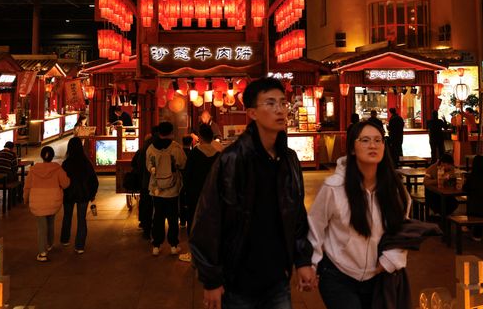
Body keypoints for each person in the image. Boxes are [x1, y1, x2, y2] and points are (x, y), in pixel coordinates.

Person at [190, 77, 315, 309]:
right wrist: (211, 279)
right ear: (252, 113)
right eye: (270, 103)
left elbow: (296, 213)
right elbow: (208, 220)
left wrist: (303, 259)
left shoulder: (288, 160)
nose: (279, 110)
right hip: (238, 281)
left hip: (278, 279)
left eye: (282, 103)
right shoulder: (232, 160)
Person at [308, 121, 410, 309]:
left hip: (380, 277)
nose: (373, 145)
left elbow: (402, 231)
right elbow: (315, 227)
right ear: (352, 149)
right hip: (338, 276)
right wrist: (311, 264)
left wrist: (387, 263)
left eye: (378, 140)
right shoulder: (334, 187)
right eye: (365, 140)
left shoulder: (394, 189)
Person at [178, 124, 220, 263]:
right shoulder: (218, 154)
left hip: (196, 194)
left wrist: (186, 191)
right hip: (214, 194)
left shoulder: (195, 153)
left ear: (200, 137)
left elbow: (187, 175)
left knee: (194, 222)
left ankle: (194, 254)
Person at [146, 121, 187, 256]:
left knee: (157, 216)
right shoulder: (176, 147)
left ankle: (156, 245)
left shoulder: (151, 148)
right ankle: (173, 245)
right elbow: (182, 164)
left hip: (157, 189)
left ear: (159, 132)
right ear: (171, 132)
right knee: (173, 217)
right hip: (172, 189)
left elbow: (148, 166)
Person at [24, 146, 70, 262]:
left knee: (41, 227)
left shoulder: (33, 170)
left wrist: (25, 199)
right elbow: (65, 184)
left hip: (37, 201)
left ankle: (42, 252)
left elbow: (27, 186)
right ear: (53, 156)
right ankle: (49, 244)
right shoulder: (57, 169)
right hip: (53, 200)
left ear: (41, 156)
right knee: (50, 222)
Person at [60, 138, 99, 254]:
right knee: (82, 219)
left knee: (67, 216)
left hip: (68, 194)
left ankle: (65, 239)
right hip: (83, 194)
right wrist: (92, 194)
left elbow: (61, 180)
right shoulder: (86, 163)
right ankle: (80, 245)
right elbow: (94, 181)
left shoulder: (66, 164)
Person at [132, 125, 158, 240]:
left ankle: (146, 229)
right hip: (157, 182)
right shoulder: (159, 146)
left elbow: (134, 163)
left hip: (144, 181)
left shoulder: (143, 148)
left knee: (146, 205)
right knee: (157, 206)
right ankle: (157, 230)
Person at [423, 154, 457, 219]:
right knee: (440, 204)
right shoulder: (431, 168)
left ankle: (443, 217)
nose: (450, 168)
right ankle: (441, 217)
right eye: (448, 165)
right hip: (433, 194)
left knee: (454, 203)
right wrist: (439, 180)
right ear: (442, 163)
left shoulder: (451, 169)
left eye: (451, 166)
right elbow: (425, 182)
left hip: (446, 193)